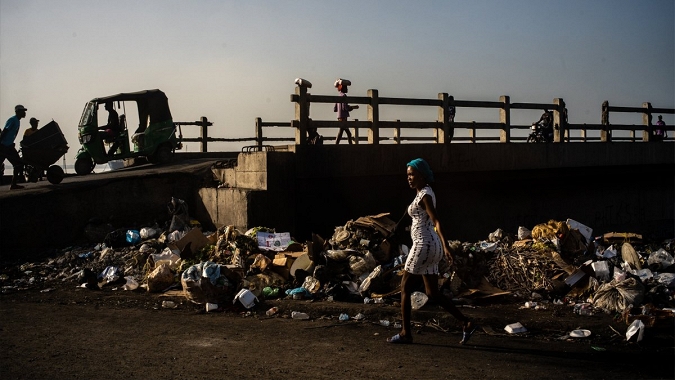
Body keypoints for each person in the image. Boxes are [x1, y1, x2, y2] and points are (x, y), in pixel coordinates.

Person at [387, 158, 475, 345]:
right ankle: (465, 322)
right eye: (408, 175)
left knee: (404, 287)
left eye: (412, 174)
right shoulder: (424, 193)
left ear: (421, 175)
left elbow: (436, 221)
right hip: (430, 246)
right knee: (432, 292)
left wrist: (446, 245)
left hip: (423, 245)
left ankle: (405, 333)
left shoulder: (425, 195)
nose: (409, 178)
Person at [0, 105, 27, 189]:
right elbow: (5, 131)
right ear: (18, 112)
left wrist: (12, 142)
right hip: (4, 146)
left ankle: (13, 184)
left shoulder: (17, 121)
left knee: (17, 164)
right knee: (18, 163)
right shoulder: (12, 120)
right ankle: (13, 184)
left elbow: (12, 134)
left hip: (8, 145)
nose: (24, 112)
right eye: (22, 111)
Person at [333, 79, 359, 144]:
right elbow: (345, 108)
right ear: (343, 87)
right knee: (347, 133)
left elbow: (335, 109)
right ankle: (350, 146)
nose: (347, 89)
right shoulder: (344, 96)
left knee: (341, 132)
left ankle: (336, 144)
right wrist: (352, 107)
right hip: (344, 118)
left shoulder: (338, 96)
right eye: (346, 87)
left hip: (339, 117)